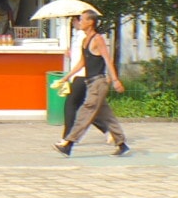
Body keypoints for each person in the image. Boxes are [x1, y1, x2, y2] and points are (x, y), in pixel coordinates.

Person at [53, 10, 129, 157]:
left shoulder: (98, 39)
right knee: (107, 116)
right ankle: (122, 144)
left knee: (85, 112)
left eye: (82, 20)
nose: (79, 22)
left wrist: (115, 80)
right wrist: (66, 77)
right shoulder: (84, 40)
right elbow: (82, 63)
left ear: (90, 22)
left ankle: (69, 144)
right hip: (90, 83)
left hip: (98, 83)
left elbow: (108, 60)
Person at [63, 16, 108, 142]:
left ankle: (67, 137)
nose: (75, 23)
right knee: (86, 108)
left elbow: (87, 58)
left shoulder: (87, 37)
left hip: (83, 75)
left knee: (70, 104)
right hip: (77, 74)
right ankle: (108, 131)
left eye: (76, 21)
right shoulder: (77, 36)